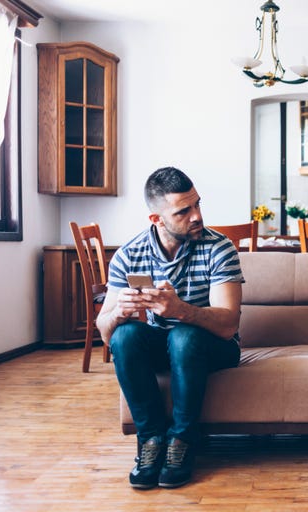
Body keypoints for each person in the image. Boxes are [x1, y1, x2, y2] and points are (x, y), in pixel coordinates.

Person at [96, 167, 243, 489]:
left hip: (212, 347)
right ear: (156, 219)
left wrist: (180, 310)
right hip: (162, 346)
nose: (196, 216)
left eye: (197, 205)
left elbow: (229, 324)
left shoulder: (219, 248)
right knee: (126, 335)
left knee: (183, 335)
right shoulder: (128, 255)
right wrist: (118, 313)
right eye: (183, 211)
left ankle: (182, 440)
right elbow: (106, 335)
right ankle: (150, 441)